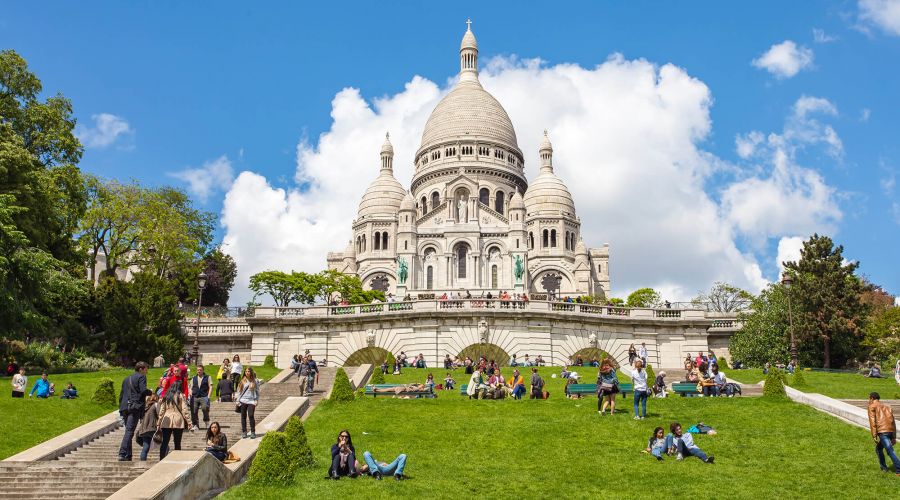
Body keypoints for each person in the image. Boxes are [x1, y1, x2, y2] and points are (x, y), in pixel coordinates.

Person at [118, 362, 150, 461]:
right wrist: (151, 392)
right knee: (129, 431)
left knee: (128, 431)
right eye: (146, 369)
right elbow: (143, 391)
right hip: (134, 407)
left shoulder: (126, 379)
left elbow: (121, 396)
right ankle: (122, 453)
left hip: (124, 407)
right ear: (141, 369)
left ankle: (128, 455)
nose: (147, 371)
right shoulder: (141, 377)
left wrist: (121, 408)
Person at [157, 379, 192, 460]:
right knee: (177, 442)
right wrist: (189, 422)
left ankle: (161, 458)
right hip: (178, 419)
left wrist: (158, 423)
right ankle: (177, 459)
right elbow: (184, 409)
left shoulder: (166, 396)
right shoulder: (180, 395)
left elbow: (162, 410)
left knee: (165, 442)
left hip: (166, 420)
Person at [867, 392, 899, 474]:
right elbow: (893, 422)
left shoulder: (872, 406)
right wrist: (893, 436)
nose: (869, 400)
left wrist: (874, 435)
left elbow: (872, 422)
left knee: (890, 450)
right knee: (879, 448)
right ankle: (884, 468)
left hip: (883, 432)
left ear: (872, 398)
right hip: (890, 431)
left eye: (869, 398)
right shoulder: (887, 406)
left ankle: (899, 469)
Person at [237, 367, 260, 439]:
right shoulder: (242, 381)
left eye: (248, 371)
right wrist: (237, 400)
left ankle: (253, 432)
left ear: (251, 372)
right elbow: (239, 391)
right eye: (246, 371)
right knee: (243, 416)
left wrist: (256, 400)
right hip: (243, 400)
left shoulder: (254, 381)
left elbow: (257, 391)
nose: (247, 373)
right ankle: (244, 432)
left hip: (251, 400)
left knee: (251, 415)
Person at [136, 393, 160, 461]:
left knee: (146, 446)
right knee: (164, 445)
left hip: (143, 429)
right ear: (155, 398)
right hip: (152, 428)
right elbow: (159, 414)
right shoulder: (155, 404)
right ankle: (164, 459)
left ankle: (142, 461)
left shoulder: (145, 406)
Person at [190, 365, 212, 430]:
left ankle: (206, 421)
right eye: (198, 370)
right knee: (194, 410)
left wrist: (208, 396)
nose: (199, 371)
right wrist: (190, 393)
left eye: (200, 370)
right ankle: (195, 424)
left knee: (205, 408)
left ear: (203, 370)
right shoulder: (193, 378)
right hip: (195, 396)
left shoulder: (207, 377)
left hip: (204, 396)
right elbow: (190, 387)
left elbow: (210, 386)